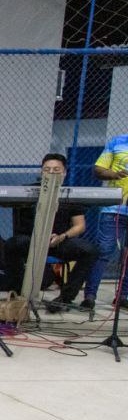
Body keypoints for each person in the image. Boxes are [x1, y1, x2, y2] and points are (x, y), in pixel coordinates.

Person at [2, 153, 98, 313]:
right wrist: (39, 236)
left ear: (64, 172)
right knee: (12, 245)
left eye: (56, 169)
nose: (51, 173)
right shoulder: (28, 193)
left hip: (59, 241)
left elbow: (80, 226)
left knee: (90, 251)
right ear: (41, 172)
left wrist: (63, 236)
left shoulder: (70, 195)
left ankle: (64, 299)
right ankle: (19, 294)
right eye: (47, 169)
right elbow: (20, 228)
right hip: (33, 240)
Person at [84, 133, 128, 311]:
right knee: (103, 252)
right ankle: (90, 296)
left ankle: (123, 296)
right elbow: (98, 170)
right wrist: (114, 174)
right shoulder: (118, 142)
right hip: (114, 209)